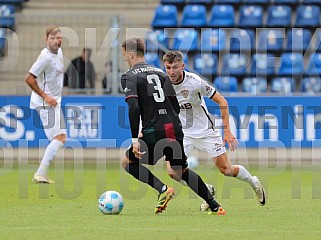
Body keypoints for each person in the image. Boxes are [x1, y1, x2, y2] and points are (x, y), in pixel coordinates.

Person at [120, 37, 226, 215]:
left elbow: (133, 106)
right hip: (175, 128)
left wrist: (134, 139)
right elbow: (175, 105)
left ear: (130, 54)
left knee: (127, 162)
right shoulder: (161, 74)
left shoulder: (129, 76)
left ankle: (162, 189)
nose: (125, 59)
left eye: (124, 56)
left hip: (154, 130)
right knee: (181, 170)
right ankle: (215, 206)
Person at [163, 50, 266, 211]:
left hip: (206, 131)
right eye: (168, 67)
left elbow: (222, 101)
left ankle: (253, 182)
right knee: (172, 171)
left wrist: (227, 132)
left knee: (227, 170)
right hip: (183, 134)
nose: (171, 72)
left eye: (174, 67)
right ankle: (206, 189)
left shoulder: (195, 82)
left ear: (182, 66)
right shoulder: (163, 85)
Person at [25, 26, 66, 184]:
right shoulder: (45, 57)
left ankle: (41, 173)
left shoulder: (59, 53)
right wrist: (46, 96)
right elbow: (29, 79)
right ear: (46, 39)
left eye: (59, 38)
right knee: (60, 138)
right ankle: (40, 173)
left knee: (58, 138)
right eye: (53, 38)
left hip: (53, 102)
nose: (57, 41)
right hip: (45, 103)